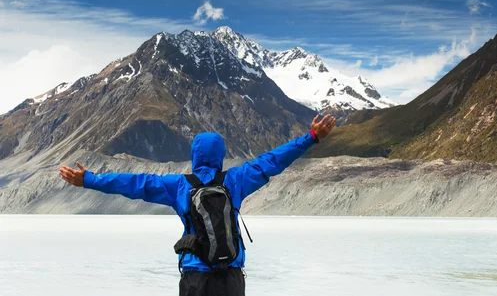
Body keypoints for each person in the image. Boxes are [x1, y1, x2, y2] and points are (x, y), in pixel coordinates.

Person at [59, 114, 337, 296]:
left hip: (195, 276)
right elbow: (273, 160)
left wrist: (91, 180)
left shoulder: (179, 185)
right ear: (221, 155)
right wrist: (311, 137)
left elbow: (135, 184)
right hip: (230, 277)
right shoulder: (237, 180)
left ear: (194, 155)